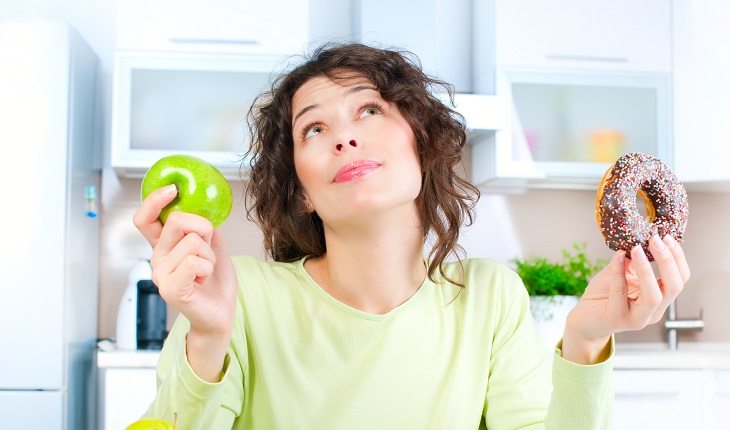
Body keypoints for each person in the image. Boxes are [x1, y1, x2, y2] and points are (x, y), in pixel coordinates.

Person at [133, 43, 691, 430]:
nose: (345, 138)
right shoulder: (239, 297)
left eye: (369, 109)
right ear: (300, 188)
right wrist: (206, 337)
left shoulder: (490, 299)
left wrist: (586, 338)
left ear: (421, 144)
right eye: (315, 127)